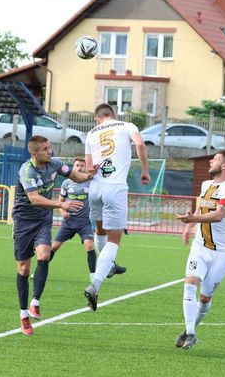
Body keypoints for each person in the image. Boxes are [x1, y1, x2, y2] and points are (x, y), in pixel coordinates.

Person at [13, 135, 95, 336]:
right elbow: (34, 199)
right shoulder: (27, 171)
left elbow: (75, 176)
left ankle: (35, 302)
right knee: (24, 268)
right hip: (23, 221)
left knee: (44, 255)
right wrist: (61, 204)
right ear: (35, 153)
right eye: (45, 149)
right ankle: (23, 315)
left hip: (43, 220)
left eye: (50, 147)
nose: (50, 151)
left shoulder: (55, 164)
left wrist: (89, 175)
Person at [83, 103, 150, 311]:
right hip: (115, 188)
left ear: (97, 118)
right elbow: (140, 144)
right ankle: (95, 285)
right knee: (115, 239)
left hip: (95, 188)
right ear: (114, 115)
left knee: (100, 230)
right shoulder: (127, 126)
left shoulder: (91, 133)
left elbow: (88, 168)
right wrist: (144, 170)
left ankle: (109, 266)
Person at [176, 150, 225, 350]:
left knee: (204, 299)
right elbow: (200, 208)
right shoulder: (206, 185)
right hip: (200, 246)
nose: (211, 160)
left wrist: (193, 219)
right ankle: (191, 334)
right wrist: (189, 226)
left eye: (216, 159)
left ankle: (190, 329)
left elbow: (219, 214)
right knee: (190, 283)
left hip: (222, 252)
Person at [51, 157, 96, 282]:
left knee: (89, 245)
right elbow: (61, 201)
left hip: (85, 222)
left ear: (85, 167)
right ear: (73, 167)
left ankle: (93, 275)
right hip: (69, 222)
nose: (79, 168)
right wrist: (62, 212)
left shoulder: (91, 182)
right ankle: (39, 271)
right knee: (54, 247)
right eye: (77, 165)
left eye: (82, 165)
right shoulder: (66, 183)